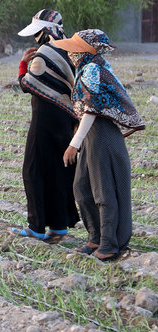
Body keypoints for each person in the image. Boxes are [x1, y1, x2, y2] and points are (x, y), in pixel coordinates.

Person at [53, 30, 145, 261]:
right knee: (82, 189)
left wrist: (74, 144)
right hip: (92, 136)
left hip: (102, 136)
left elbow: (91, 109)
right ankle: (95, 236)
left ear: (87, 50)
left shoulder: (94, 69)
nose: (71, 52)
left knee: (103, 193)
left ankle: (108, 245)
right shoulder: (88, 67)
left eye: (75, 48)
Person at [10, 9, 79, 243]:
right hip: (66, 119)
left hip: (44, 119)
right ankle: (59, 225)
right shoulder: (71, 48)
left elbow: (27, 84)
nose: (35, 38)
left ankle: (36, 226)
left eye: (37, 32)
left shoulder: (45, 52)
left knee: (33, 170)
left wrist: (22, 64)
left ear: (45, 31)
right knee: (59, 171)